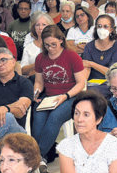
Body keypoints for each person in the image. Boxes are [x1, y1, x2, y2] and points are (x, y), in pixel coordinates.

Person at [31, 25, 88, 158]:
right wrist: (36, 92)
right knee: (38, 118)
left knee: (54, 117)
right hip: (49, 96)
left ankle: (36, 157)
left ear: (61, 40)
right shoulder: (40, 58)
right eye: (47, 45)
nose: (50, 48)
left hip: (70, 96)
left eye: (53, 44)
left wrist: (65, 96)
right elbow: (39, 82)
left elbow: (81, 83)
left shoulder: (72, 56)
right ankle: (39, 155)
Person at [80, 13, 117, 85]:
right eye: (99, 26)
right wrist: (82, 84)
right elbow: (86, 68)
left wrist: (92, 64)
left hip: (111, 83)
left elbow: (114, 72)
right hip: (92, 83)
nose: (102, 29)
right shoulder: (89, 46)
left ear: (111, 29)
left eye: (105, 26)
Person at [20, 12, 53, 76]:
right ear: (34, 28)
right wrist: (37, 64)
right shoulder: (28, 47)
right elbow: (22, 70)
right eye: (37, 25)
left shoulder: (55, 45)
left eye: (44, 24)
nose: (40, 28)